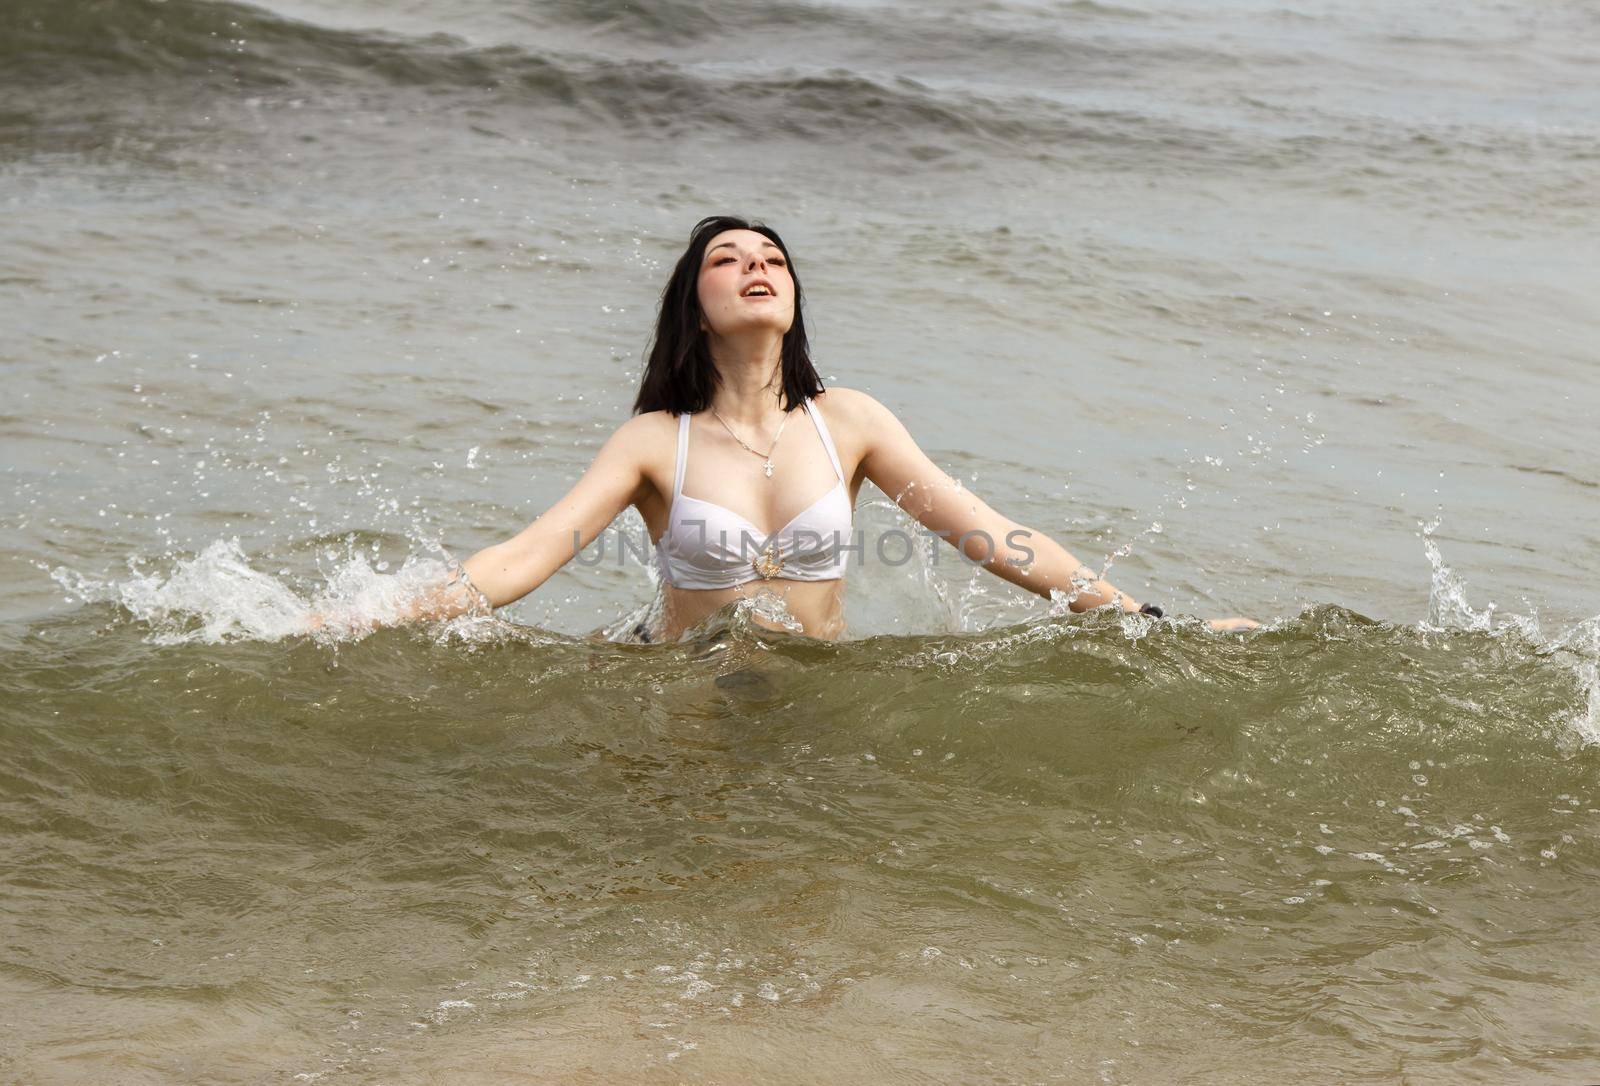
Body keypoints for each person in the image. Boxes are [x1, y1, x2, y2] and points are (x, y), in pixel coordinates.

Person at [310, 215, 1258, 641]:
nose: (756, 267)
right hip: (681, 688)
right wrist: (360, 621)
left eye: (772, 258)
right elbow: (526, 558)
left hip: (809, 689)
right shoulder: (653, 440)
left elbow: (993, 539)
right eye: (727, 260)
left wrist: (1152, 624)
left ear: (794, 295)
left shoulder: (848, 422)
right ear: (695, 301)